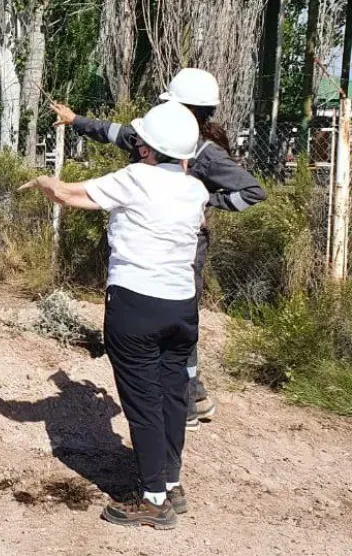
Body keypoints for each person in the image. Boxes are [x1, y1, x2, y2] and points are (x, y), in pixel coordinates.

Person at [20, 101, 208, 529]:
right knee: (172, 396)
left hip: (136, 306)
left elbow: (71, 195)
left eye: (139, 139)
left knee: (142, 403)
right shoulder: (195, 188)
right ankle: (171, 483)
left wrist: (47, 182)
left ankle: (153, 499)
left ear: (146, 149)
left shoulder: (134, 179)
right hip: (182, 307)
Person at [51, 68, 267, 431]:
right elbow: (112, 131)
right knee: (171, 321)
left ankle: (186, 406)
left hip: (183, 248)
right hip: (148, 246)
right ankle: (194, 396)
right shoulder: (153, 136)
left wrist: (202, 201)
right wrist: (75, 120)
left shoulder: (205, 153)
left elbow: (251, 193)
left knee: (179, 322)